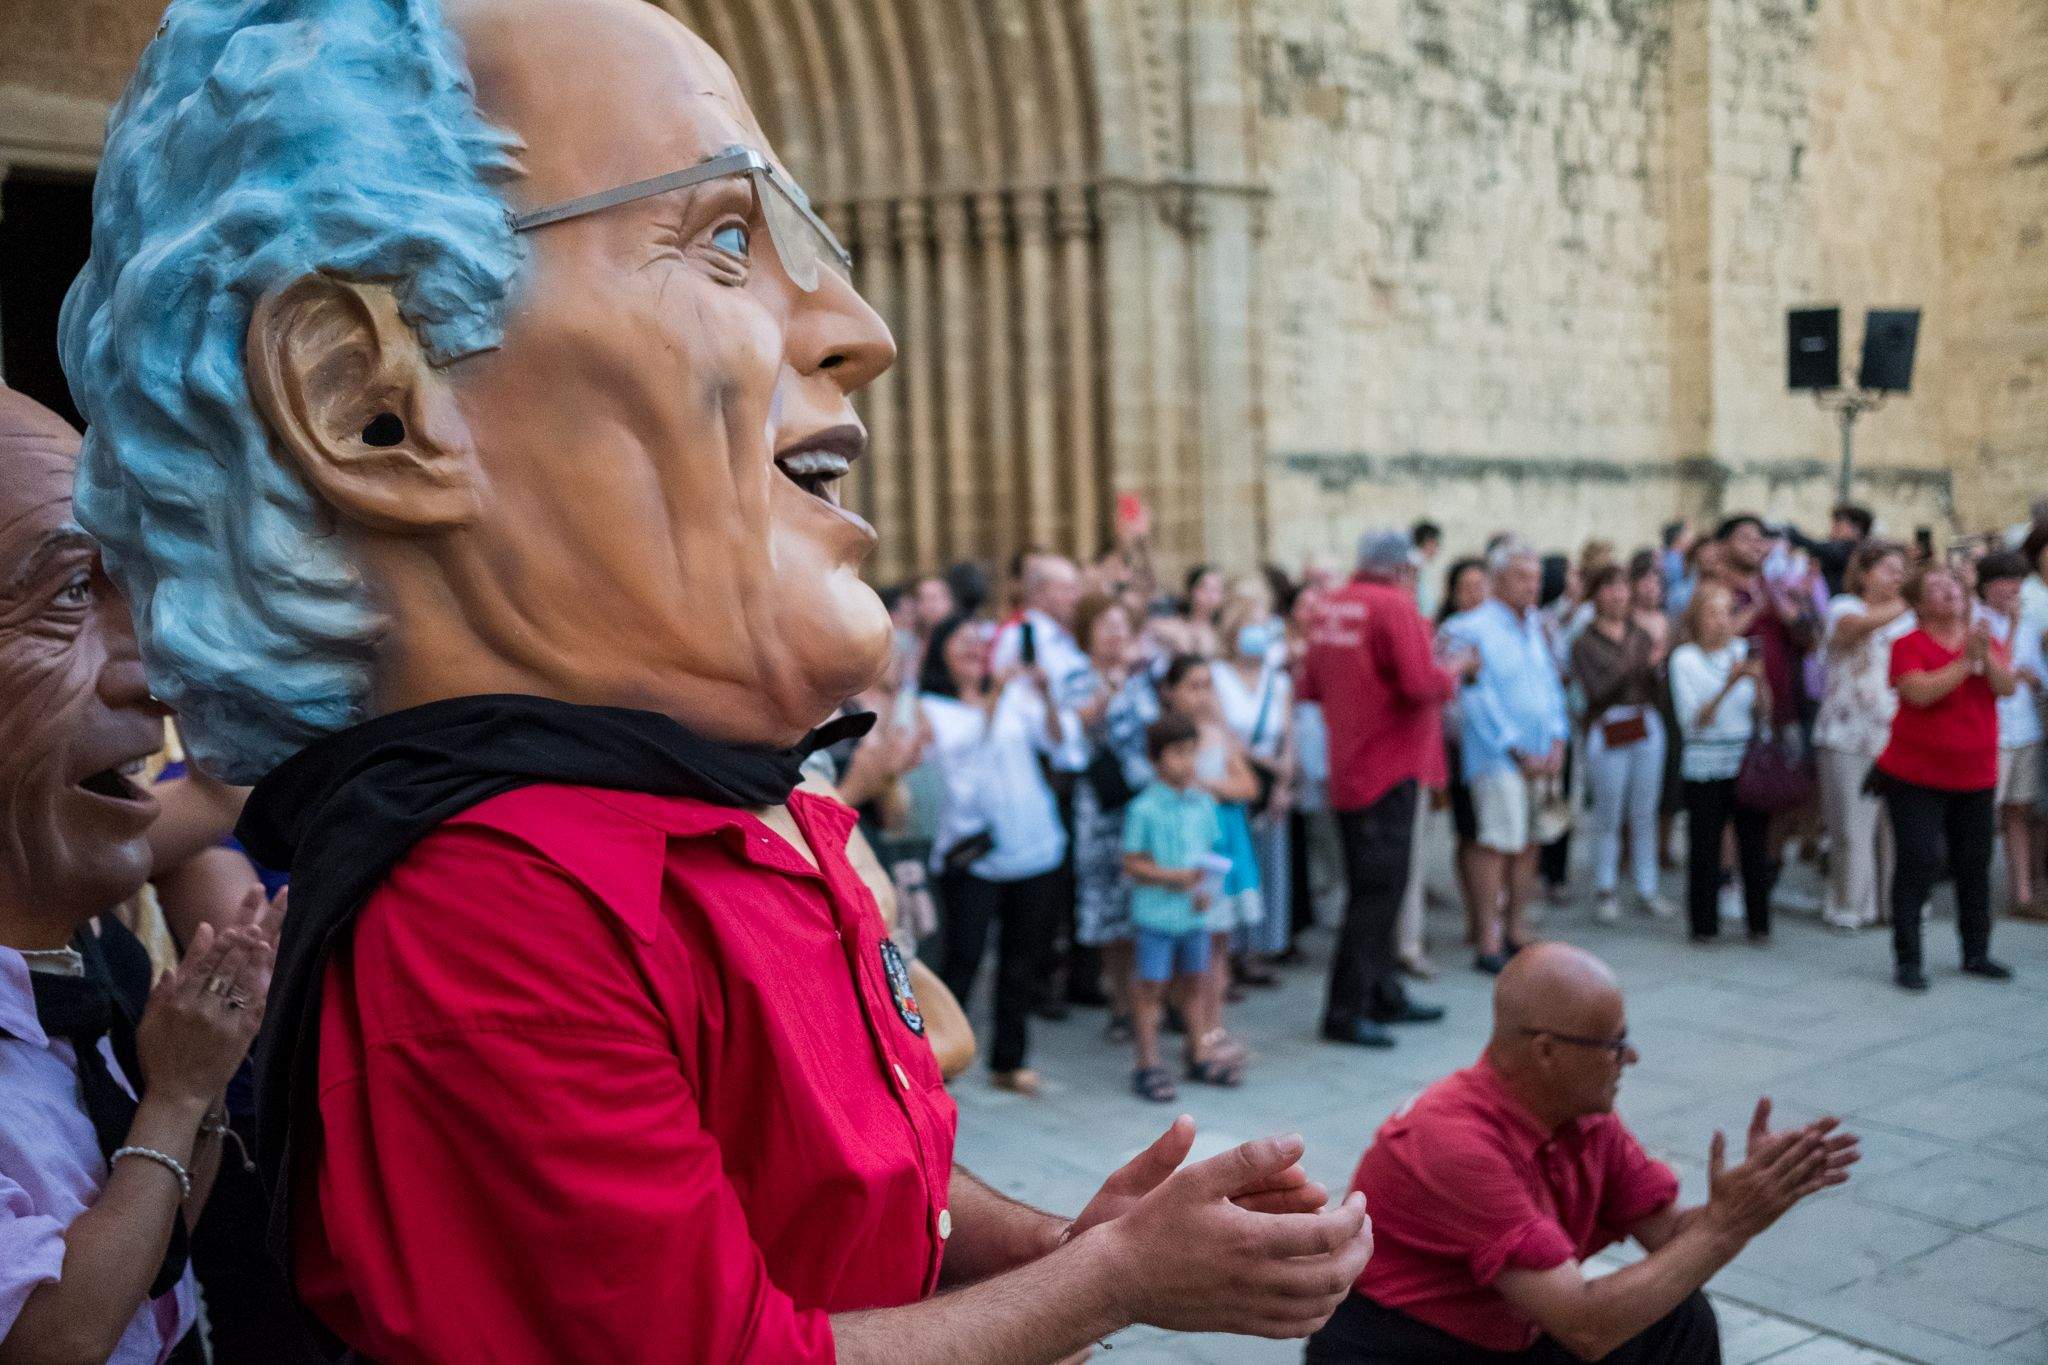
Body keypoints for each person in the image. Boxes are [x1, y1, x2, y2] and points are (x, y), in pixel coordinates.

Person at [60, 2, 1374, 1358]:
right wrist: (1106, 1288)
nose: (860, 328)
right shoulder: (494, 905)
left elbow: (854, 1186)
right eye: (727, 241)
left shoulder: (745, 817)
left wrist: (1068, 1248)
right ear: (369, 407)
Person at [0, 386, 279, 1365]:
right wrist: (173, 1100)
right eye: (72, 592)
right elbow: (54, 1338)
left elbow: (155, 1256)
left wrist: (193, 1081)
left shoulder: (77, 972)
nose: (156, 677)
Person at [1306, 943, 1859, 1364]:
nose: (1631, 1057)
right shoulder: (1453, 1142)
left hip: (1508, 1329)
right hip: (1403, 1346)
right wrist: (1726, 1227)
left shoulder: (1585, 1117)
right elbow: (1585, 1326)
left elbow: (1668, 1236)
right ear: (1546, 1051)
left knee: (1679, 1318)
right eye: (1614, 1044)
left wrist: (1752, 1199)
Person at [1299, 530, 1470, 1045]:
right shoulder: (1392, 606)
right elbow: (1421, 685)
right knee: (1377, 893)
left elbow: (1310, 684)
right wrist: (1453, 672)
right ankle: (1346, 1010)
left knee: (1379, 888)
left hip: (1350, 764)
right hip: (1388, 766)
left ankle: (1383, 993)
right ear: (1400, 570)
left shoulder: (1332, 606)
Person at [919, 616, 1071, 1095]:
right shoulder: (931, 707)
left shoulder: (1015, 694)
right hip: (975, 853)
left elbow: (1059, 744)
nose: (971, 648)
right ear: (940, 652)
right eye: (960, 640)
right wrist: (999, 695)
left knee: (1021, 958)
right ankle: (936, 1062)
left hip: (1033, 845)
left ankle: (1009, 1059)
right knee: (963, 957)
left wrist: (1044, 693)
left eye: (977, 641)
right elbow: (964, 756)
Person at [1874, 565, 2018, 991]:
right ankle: (1909, 959)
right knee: (1918, 860)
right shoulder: (1908, 644)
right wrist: (1966, 662)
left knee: (1974, 865)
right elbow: (1919, 693)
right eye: (1936, 588)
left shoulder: (1983, 639)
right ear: (1919, 605)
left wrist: (1983, 656)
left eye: (1953, 584)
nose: (1949, 592)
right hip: (1914, 775)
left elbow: (2006, 686)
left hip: (1975, 775)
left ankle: (1976, 951)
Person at [1440, 546, 1570, 974]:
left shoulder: (1535, 624)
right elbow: (1475, 699)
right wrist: (1515, 747)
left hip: (1540, 753)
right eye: (1520, 576)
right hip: (1496, 756)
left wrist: (1556, 737)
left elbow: (1549, 683)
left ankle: (1516, 925)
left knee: (1530, 840)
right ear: (1496, 580)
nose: (1532, 585)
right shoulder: (1467, 628)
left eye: (1534, 577)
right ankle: (1488, 935)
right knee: (1495, 842)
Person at [1156, 655, 1259, 1083]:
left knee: (1218, 948)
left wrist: (1209, 786)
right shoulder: (1167, 739)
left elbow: (1248, 784)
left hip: (1224, 850)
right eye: (1193, 686)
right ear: (1171, 691)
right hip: (1188, 854)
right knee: (1194, 951)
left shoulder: (1218, 735)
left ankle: (1212, 1031)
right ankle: (1195, 1036)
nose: (1202, 695)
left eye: (1207, 685)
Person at [1120, 716, 1225, 1103]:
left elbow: (1212, 855)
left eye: (1191, 752)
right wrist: (1176, 877)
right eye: (1177, 753)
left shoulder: (1202, 803)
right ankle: (1147, 1063)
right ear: (1156, 758)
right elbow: (1132, 863)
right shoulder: (1144, 809)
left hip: (1193, 915)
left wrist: (1207, 888)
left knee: (1196, 982)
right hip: (1156, 916)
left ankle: (1197, 1051)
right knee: (1151, 988)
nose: (1187, 761)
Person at [1812, 540, 1913, 932]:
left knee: (1897, 828)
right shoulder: (1844, 606)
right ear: (1865, 573)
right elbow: (1851, 632)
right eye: (1888, 567)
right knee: (1851, 825)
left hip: (1898, 733)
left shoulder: (1909, 617)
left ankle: (1895, 905)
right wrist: (1909, 600)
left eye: (1901, 568)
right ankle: (1849, 905)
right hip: (1846, 733)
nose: (1897, 575)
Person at [1069, 594, 1156, 1040]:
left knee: (1148, 908)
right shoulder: (1078, 675)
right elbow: (1082, 724)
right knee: (1110, 912)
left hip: (1146, 805)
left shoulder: (1148, 675)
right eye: (1105, 624)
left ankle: (1154, 1001)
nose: (1115, 632)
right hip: (1102, 808)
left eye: (1122, 624)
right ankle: (1121, 1004)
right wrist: (1111, 687)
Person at [1670, 583, 1775, 943]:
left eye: (1727, 612)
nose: (1721, 621)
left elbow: (1764, 715)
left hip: (1744, 762)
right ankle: (1703, 925)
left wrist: (1760, 685)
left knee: (1754, 847)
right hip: (1705, 763)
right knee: (1705, 847)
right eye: (1712, 613)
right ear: (1696, 618)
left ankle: (1758, 923)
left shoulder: (1744, 650)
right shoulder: (1683, 659)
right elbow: (1693, 721)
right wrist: (1730, 684)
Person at [1569, 566, 1673, 920]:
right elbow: (1596, 692)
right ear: (1596, 594)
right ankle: (1606, 887)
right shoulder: (1584, 641)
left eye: (1622, 588)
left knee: (1645, 813)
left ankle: (1647, 887)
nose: (1617, 595)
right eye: (1609, 588)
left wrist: (1658, 668)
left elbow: (1657, 689)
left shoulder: (1640, 634)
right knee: (1608, 814)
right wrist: (1637, 665)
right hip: (1610, 724)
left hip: (1644, 721)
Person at [1212, 579, 1294, 979]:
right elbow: (1221, 733)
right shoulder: (1216, 677)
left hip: (1269, 784)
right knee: (1232, 866)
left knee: (1268, 866)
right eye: (1251, 626)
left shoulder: (1277, 681)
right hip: (1232, 782)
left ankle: (1258, 950)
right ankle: (1227, 955)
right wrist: (1268, 766)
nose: (1258, 635)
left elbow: (1288, 736)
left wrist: (1282, 781)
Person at [1979, 553, 2047, 919]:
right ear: (1987, 585)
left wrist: (2034, 680)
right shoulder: (1977, 621)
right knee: (1985, 814)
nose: (2011, 589)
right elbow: (1996, 673)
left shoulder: (2029, 622)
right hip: (1991, 732)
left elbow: (2036, 676)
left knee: (2020, 811)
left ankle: (2021, 894)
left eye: (2016, 582)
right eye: (2002, 581)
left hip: (2026, 731)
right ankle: (1975, 890)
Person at [1437, 557, 1491, 949]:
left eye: (1480, 584)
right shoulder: (1451, 632)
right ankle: (1476, 915)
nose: (1475, 593)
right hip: (1463, 744)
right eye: (1466, 586)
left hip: (1498, 748)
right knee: (1470, 832)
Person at [1412, 520, 1444, 619]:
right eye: (1437, 544)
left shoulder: (1421, 564)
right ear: (1429, 542)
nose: (1437, 550)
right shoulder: (1414, 566)